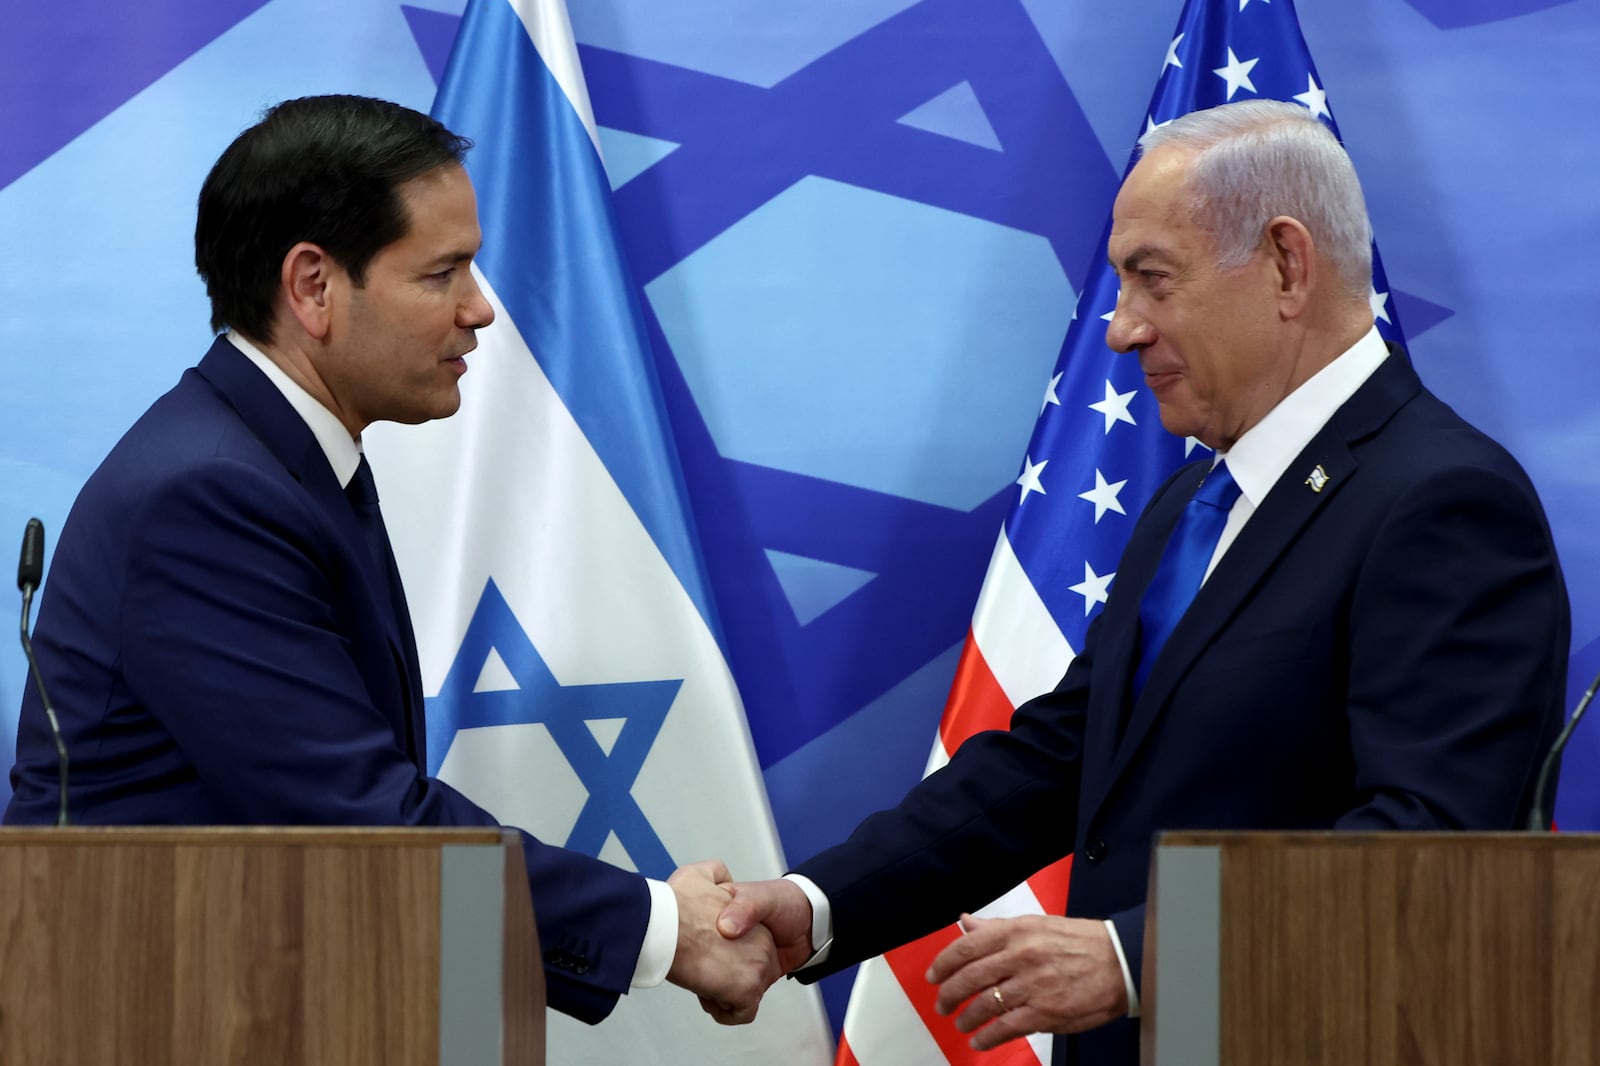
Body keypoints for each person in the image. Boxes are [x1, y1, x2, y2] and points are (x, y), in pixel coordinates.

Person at [717, 99, 1570, 1065]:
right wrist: (814, 907)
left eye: (1151, 281)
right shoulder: (1192, 505)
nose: (1120, 331)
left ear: (1288, 265)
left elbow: (1434, 848)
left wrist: (1135, 958)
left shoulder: (1443, 501)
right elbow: (1061, 761)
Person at [4, 94, 775, 1026]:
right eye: (442, 273)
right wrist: (666, 930)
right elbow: (358, 823)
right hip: (157, 1012)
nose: (479, 309)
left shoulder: (284, 458)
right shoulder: (208, 495)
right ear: (314, 287)